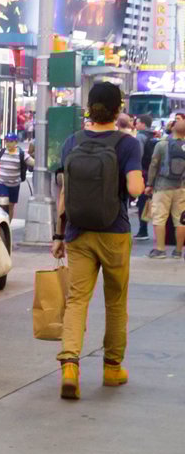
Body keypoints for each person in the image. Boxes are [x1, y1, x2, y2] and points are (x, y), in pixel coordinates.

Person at [53, 81, 144, 400]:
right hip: (114, 231)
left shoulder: (72, 141)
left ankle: (70, 366)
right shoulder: (128, 144)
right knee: (115, 301)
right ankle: (112, 367)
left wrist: (58, 234)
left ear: (89, 108)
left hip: (78, 232)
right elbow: (134, 189)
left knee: (77, 299)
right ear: (118, 109)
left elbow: (65, 193)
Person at [146, 114, 185, 259]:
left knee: (159, 218)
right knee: (180, 220)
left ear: (173, 128)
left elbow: (154, 165)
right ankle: (178, 251)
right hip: (182, 187)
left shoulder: (162, 145)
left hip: (162, 186)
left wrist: (149, 184)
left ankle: (160, 250)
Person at [0, 133, 33, 221]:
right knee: (3, 204)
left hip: (14, 184)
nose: (8, 143)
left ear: (16, 142)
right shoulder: (0, 152)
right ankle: (1, 223)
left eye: (11, 141)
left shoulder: (21, 154)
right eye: (7, 141)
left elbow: (32, 162)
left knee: (11, 206)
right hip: (1, 182)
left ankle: (8, 224)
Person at [135, 115, 155, 240]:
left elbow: (138, 155)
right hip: (152, 172)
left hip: (143, 172)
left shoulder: (140, 136)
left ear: (143, 124)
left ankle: (143, 230)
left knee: (142, 202)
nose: (135, 125)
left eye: (137, 123)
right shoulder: (153, 136)